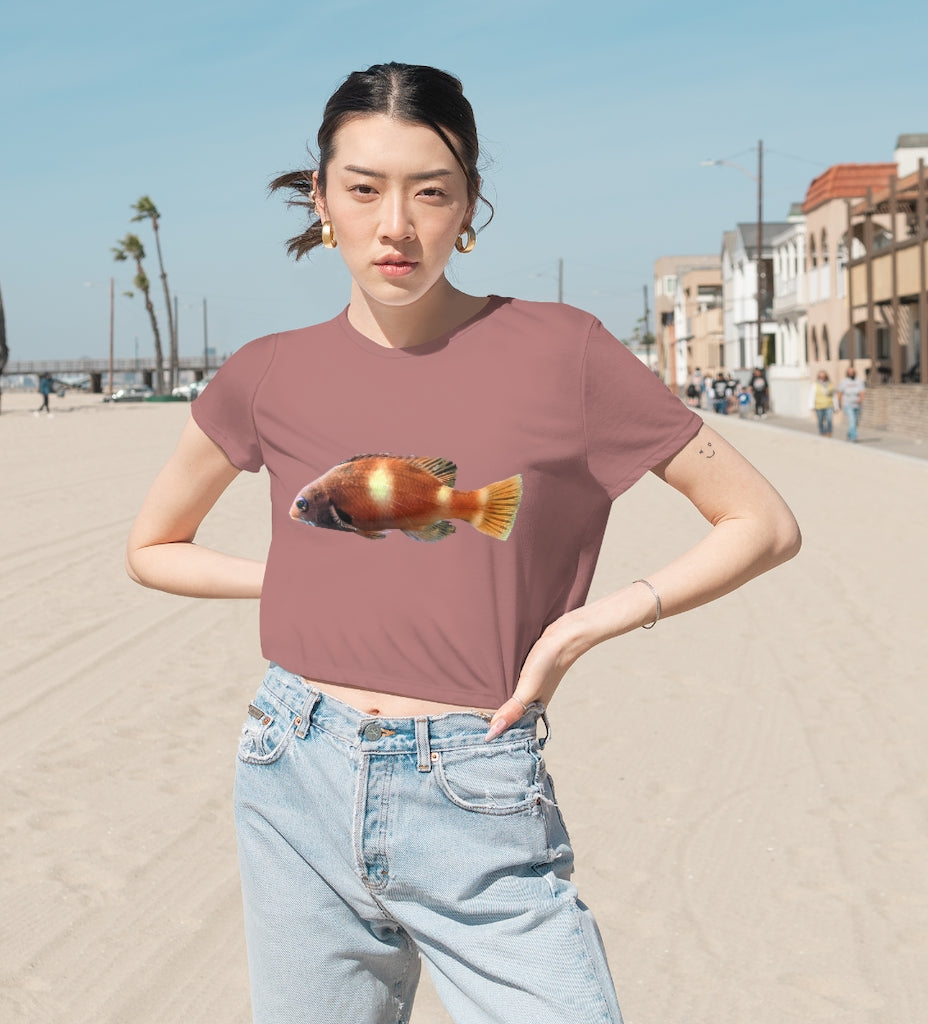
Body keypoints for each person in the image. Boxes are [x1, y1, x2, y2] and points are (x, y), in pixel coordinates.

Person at [125, 63, 801, 1024]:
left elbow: (761, 523)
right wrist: (299, 576)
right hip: (291, 765)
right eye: (364, 188)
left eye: (431, 192)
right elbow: (153, 546)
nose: (395, 226)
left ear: (471, 204)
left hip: (475, 780)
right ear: (321, 198)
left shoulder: (565, 351)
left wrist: (585, 628)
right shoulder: (265, 372)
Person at [837, 365, 865, 441]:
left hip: (857, 405)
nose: (851, 373)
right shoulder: (844, 382)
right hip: (848, 404)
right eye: (850, 372)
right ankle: (853, 437)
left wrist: (860, 399)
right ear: (847, 373)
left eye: (852, 372)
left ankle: (850, 433)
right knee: (852, 420)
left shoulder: (858, 381)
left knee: (855, 422)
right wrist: (839, 403)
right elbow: (840, 393)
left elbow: (862, 391)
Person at [809, 370, 836, 436]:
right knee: (820, 420)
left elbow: (834, 396)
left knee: (829, 419)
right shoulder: (815, 385)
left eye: (823, 376)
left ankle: (829, 432)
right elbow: (812, 395)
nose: (822, 378)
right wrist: (811, 406)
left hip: (829, 405)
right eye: (821, 376)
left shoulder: (830, 384)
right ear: (819, 377)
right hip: (819, 406)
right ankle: (822, 432)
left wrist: (836, 406)